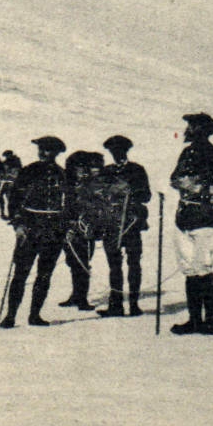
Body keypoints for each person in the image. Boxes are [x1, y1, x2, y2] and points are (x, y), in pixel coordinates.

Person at [168, 112, 213, 336]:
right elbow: (174, 178)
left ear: (202, 130)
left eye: (191, 126)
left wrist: (202, 189)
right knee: (189, 269)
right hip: (184, 218)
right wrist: (182, 183)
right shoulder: (186, 153)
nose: (187, 130)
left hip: (206, 218)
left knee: (203, 267)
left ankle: (211, 321)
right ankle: (194, 320)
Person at [0, 136, 67, 328]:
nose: (43, 153)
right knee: (20, 273)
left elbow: (70, 204)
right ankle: (10, 315)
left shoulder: (63, 174)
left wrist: (65, 227)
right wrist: (18, 225)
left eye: (48, 151)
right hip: (29, 229)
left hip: (53, 231)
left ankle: (35, 315)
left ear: (56, 153)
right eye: (41, 150)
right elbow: (14, 200)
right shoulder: (28, 171)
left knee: (44, 275)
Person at [97, 135, 150, 316]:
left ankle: (134, 305)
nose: (116, 154)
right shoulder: (106, 171)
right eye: (113, 151)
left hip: (131, 223)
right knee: (114, 265)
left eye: (119, 151)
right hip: (111, 224)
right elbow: (97, 195)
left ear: (126, 151)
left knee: (133, 263)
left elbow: (146, 196)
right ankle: (116, 305)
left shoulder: (137, 170)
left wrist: (131, 191)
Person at [59, 150, 104, 312]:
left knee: (82, 263)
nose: (81, 172)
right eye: (78, 168)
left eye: (84, 168)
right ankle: (76, 295)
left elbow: (97, 208)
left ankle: (82, 298)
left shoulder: (94, 186)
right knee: (72, 262)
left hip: (85, 229)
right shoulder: (68, 186)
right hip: (68, 229)